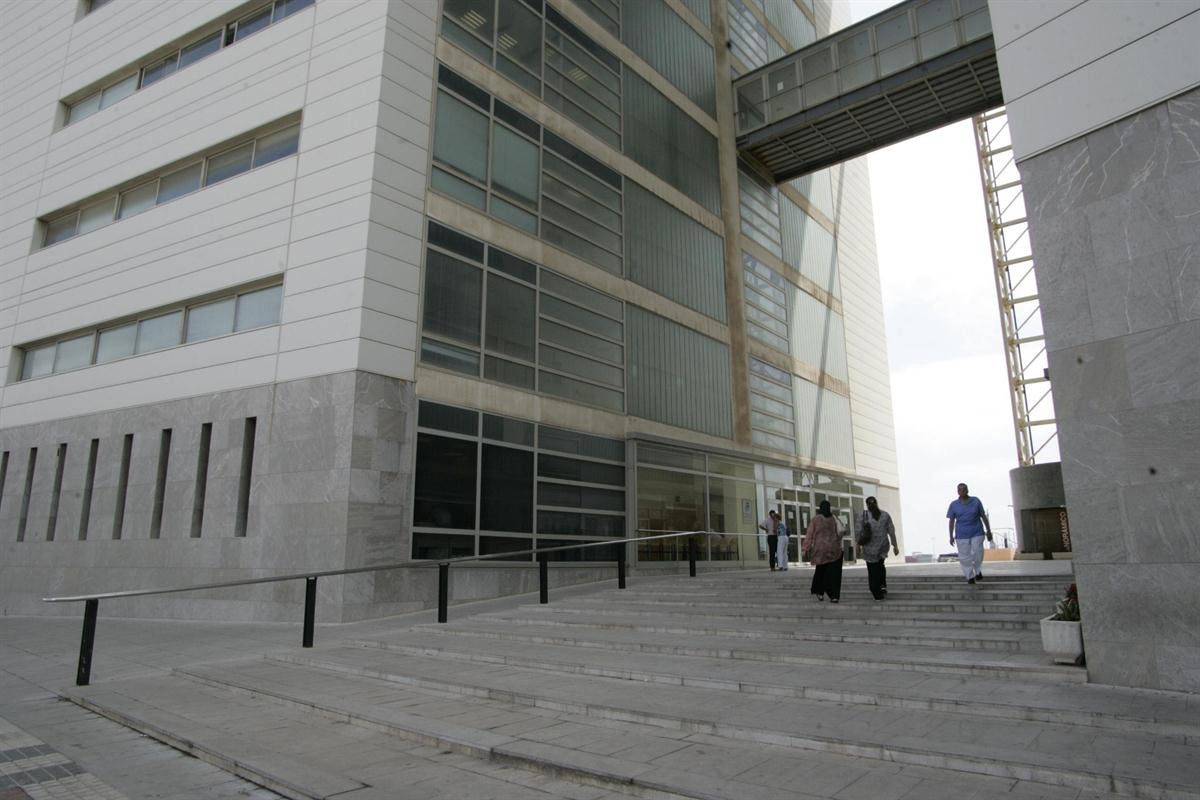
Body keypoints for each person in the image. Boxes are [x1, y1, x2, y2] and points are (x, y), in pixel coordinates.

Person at [947, 482, 992, 584]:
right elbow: (951, 521)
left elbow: (983, 516)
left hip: (977, 532)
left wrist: (989, 531)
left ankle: (978, 570)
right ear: (957, 492)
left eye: (964, 489)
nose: (962, 491)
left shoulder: (976, 501)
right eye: (960, 489)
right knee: (964, 557)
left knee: (977, 552)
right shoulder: (954, 505)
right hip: (961, 534)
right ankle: (970, 576)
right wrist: (951, 536)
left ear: (967, 490)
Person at [858, 496, 898, 601]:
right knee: (880, 566)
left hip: (869, 549)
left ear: (867, 505)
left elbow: (858, 531)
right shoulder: (885, 515)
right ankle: (882, 585)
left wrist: (857, 545)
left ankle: (876, 593)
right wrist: (895, 546)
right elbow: (891, 531)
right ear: (877, 503)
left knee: (872, 570)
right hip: (882, 547)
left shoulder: (863, 516)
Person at [804, 500, 843, 602]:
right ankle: (834, 596)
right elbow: (840, 533)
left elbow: (809, 534)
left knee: (820, 572)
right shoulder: (834, 519)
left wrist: (805, 548)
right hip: (834, 550)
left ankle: (820, 592)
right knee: (833, 574)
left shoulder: (815, 520)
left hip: (820, 551)